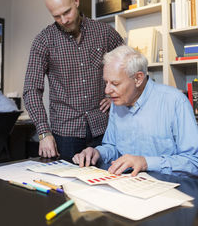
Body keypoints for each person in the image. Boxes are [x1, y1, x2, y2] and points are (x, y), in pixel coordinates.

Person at [23, 0, 124, 161]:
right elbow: (31, 89)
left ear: (76, 1)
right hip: (65, 133)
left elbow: (128, 65)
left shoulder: (104, 33)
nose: (64, 20)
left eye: (67, 12)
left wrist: (115, 96)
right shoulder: (43, 41)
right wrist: (43, 133)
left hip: (104, 127)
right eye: (57, 16)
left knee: (107, 183)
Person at [72, 45, 198, 176]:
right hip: (128, 183)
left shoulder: (175, 102)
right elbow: (114, 147)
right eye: (106, 83)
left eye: (115, 84)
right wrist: (97, 153)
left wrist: (145, 162)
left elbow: (194, 161)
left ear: (138, 78)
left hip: (170, 186)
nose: (107, 91)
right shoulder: (118, 102)